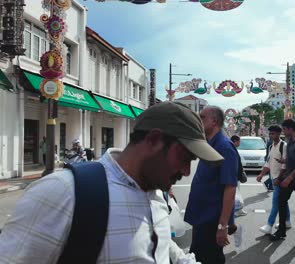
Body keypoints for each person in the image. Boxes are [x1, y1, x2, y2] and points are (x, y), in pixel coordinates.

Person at [0, 102, 223, 263]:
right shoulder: (64, 191)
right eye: (184, 158)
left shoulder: (157, 193)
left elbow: (157, 245)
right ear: (154, 141)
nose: (186, 171)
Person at [185, 106, 239, 264]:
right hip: (202, 217)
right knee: (199, 256)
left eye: (202, 117)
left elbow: (230, 188)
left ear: (214, 121)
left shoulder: (224, 147)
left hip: (211, 220)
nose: (198, 120)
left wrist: (223, 226)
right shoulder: (209, 143)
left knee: (209, 259)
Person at [271, 119, 295, 241]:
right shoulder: (289, 141)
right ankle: (281, 231)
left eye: (284, 129)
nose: (283, 131)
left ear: (289, 129)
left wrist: (289, 178)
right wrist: (283, 164)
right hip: (290, 175)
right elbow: (290, 159)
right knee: (281, 200)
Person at [256, 125, 291, 234]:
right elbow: (268, 163)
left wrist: (279, 179)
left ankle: (269, 225)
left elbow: (284, 165)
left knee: (275, 202)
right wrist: (261, 174)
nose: (271, 135)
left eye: (273, 133)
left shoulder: (283, 146)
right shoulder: (271, 146)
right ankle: (287, 221)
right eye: (270, 133)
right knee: (283, 201)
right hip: (273, 177)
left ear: (279, 134)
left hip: (279, 178)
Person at [230, 135, 248, 217]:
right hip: (234, 177)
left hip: (236, 176)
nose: (239, 143)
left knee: (237, 193)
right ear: (235, 141)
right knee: (235, 194)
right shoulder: (231, 149)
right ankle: (236, 210)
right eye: (239, 141)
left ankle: (238, 209)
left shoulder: (233, 149)